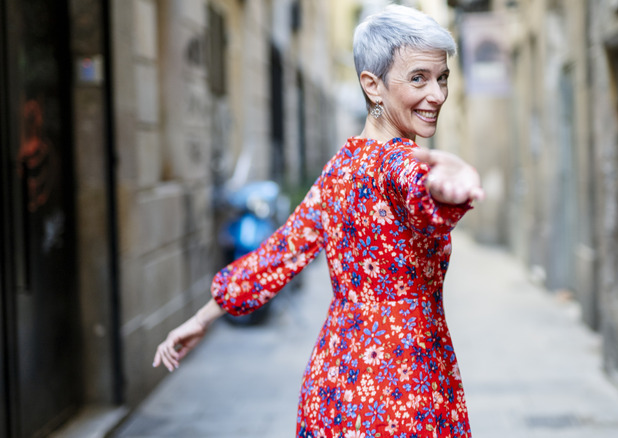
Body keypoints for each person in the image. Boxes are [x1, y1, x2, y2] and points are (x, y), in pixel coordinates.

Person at [154, 5, 483, 437]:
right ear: (372, 85)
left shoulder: (338, 169)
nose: (437, 94)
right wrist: (442, 189)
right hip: (405, 395)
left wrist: (202, 317)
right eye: (419, 78)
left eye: (442, 78)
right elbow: (416, 186)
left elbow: (280, 253)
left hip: (334, 390)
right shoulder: (401, 163)